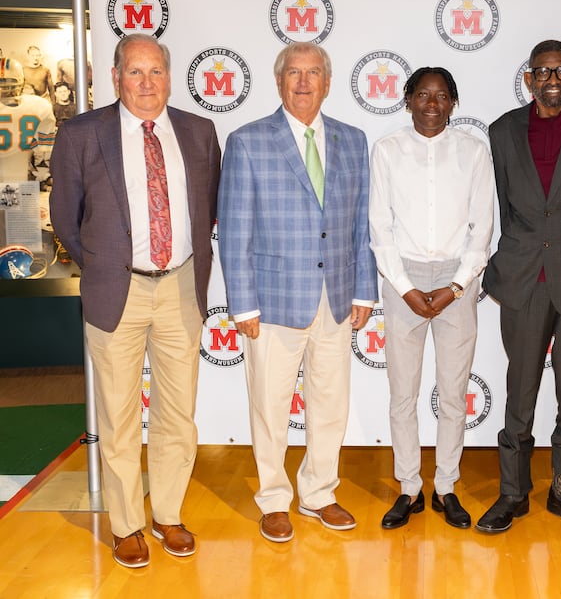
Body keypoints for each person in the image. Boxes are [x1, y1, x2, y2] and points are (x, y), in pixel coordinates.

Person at [49, 33, 221, 568]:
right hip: (114, 289)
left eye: (156, 72)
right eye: (135, 73)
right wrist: (102, 262)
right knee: (119, 415)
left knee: (178, 414)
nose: (147, 83)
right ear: (117, 75)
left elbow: (209, 208)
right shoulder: (81, 134)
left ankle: (168, 513)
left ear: (169, 77)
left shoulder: (198, 131)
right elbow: (64, 216)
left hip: (181, 288)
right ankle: (126, 525)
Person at [217, 42, 377, 543]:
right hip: (272, 304)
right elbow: (235, 227)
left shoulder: (353, 141)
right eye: (294, 73)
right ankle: (272, 499)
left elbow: (361, 224)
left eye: (313, 73)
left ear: (328, 83)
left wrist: (365, 290)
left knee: (330, 404)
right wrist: (242, 302)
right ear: (279, 80)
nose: (303, 82)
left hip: (336, 298)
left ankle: (319, 493)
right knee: (270, 405)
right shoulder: (247, 141)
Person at [476, 39, 561, 535]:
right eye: (542, 70)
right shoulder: (501, 131)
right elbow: (504, 208)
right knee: (520, 390)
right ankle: (513, 493)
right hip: (522, 280)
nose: (552, 79)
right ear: (528, 78)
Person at [369, 67, 494, 530]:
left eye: (442, 96)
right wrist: (404, 287)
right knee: (403, 393)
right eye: (423, 94)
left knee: (454, 394)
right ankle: (408, 488)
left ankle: (445, 486)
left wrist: (456, 286)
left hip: (457, 283)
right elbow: (379, 227)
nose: (432, 103)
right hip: (402, 279)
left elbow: (483, 228)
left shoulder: (474, 152)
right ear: (408, 100)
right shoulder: (387, 150)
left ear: (453, 103)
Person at [0, 56, 55, 181]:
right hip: (22, 173)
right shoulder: (39, 106)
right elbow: (43, 150)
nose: (2, 89)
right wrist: (42, 176)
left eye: (7, 83)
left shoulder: (39, 106)